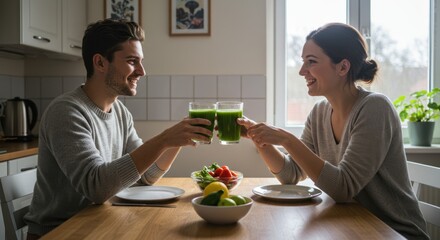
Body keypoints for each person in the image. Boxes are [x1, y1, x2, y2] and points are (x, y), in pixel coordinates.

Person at [238, 23, 429, 239]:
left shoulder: (375, 108)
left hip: (393, 232)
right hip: (352, 228)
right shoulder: (319, 112)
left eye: (311, 62)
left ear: (342, 67)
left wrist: (287, 139)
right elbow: (290, 174)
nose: (302, 71)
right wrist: (259, 138)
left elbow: (343, 188)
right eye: (303, 62)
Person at [24, 19, 212, 238]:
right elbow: (97, 188)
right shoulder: (66, 112)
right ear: (100, 63)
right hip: (60, 232)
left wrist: (176, 140)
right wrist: (163, 139)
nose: (142, 71)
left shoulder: (120, 112)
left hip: (98, 225)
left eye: (141, 62)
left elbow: (147, 176)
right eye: (132, 61)